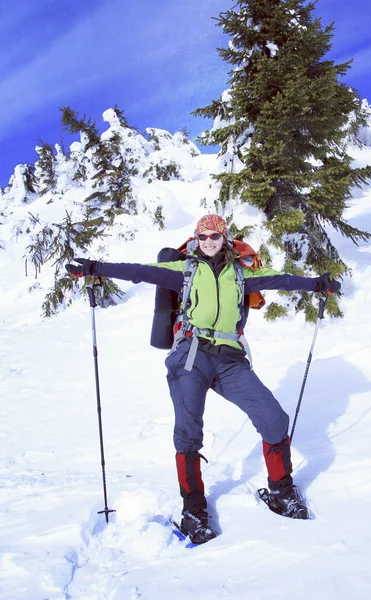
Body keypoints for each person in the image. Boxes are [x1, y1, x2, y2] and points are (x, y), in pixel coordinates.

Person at [66, 214, 340, 545]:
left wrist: (316, 284)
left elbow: (278, 279)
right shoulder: (186, 270)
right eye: (203, 235)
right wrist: (95, 267)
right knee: (188, 432)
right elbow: (138, 271)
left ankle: (282, 490)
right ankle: (193, 510)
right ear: (196, 238)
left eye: (215, 235)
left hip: (230, 360)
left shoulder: (240, 274)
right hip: (191, 357)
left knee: (273, 418)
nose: (209, 240)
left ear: (225, 238)